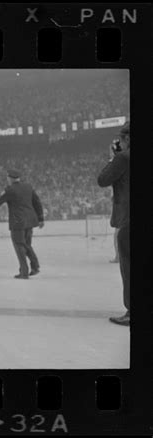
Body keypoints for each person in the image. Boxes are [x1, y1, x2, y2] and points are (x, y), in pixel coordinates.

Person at [0, 169, 44, 279]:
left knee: (19, 245)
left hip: (18, 221)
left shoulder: (9, 190)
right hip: (30, 221)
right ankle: (33, 267)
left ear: (10, 178)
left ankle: (26, 271)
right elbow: (37, 202)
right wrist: (41, 218)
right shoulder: (28, 186)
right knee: (26, 244)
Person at [97, 123, 130, 326]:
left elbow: (103, 179)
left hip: (129, 219)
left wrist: (113, 157)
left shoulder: (123, 158)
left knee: (129, 267)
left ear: (126, 139)